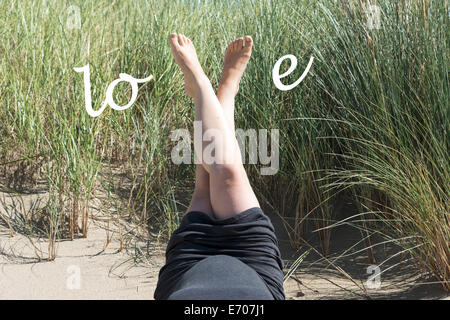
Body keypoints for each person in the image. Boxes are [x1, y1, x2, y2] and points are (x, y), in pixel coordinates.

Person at [154, 33, 284, 300]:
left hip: (188, 267)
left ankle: (210, 90)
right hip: (252, 264)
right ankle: (213, 89)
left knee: (207, 175)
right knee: (225, 169)